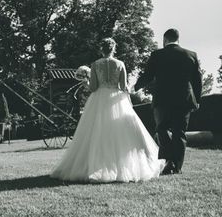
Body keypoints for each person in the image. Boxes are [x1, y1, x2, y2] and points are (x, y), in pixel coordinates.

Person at [50, 38, 165, 183]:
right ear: (113, 49)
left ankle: (95, 166)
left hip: (99, 99)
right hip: (117, 99)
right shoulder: (120, 64)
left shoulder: (96, 64)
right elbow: (123, 86)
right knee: (121, 132)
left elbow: (93, 88)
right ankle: (121, 166)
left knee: (96, 131)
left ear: (101, 49)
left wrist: (86, 82)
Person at [134, 28, 202, 175]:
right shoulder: (191, 55)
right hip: (184, 100)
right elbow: (197, 80)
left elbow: (148, 75)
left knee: (161, 129)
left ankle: (166, 160)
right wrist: (197, 99)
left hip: (162, 100)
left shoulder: (157, 55)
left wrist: (135, 87)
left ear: (164, 40)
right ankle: (176, 166)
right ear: (178, 39)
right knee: (180, 133)